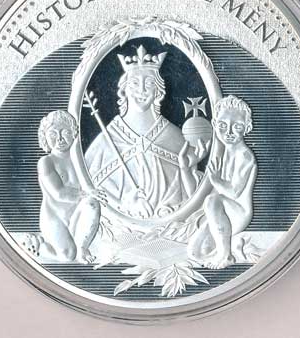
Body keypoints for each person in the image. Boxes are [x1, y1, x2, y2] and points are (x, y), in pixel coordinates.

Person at [84, 45, 208, 219]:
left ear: (158, 92)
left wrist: (187, 170)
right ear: (124, 90)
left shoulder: (176, 138)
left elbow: (194, 199)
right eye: (135, 83)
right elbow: (88, 191)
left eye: (149, 83)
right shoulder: (107, 140)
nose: (141, 90)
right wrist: (125, 205)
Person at [183, 95, 257, 269]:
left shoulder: (244, 156)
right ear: (215, 125)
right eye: (223, 126)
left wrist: (216, 180)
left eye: (237, 126)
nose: (229, 132)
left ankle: (226, 255)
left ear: (247, 127)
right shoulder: (226, 151)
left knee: (211, 200)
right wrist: (190, 168)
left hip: (239, 213)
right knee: (194, 253)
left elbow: (234, 192)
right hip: (225, 210)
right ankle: (236, 246)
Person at [35, 110, 104, 263]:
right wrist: (87, 193)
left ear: (74, 133)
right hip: (55, 217)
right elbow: (59, 193)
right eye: (53, 134)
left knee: (92, 203)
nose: (60, 138)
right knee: (67, 256)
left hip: (77, 214)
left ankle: (83, 248)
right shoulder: (46, 162)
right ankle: (41, 247)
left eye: (65, 132)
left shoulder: (81, 160)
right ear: (44, 137)